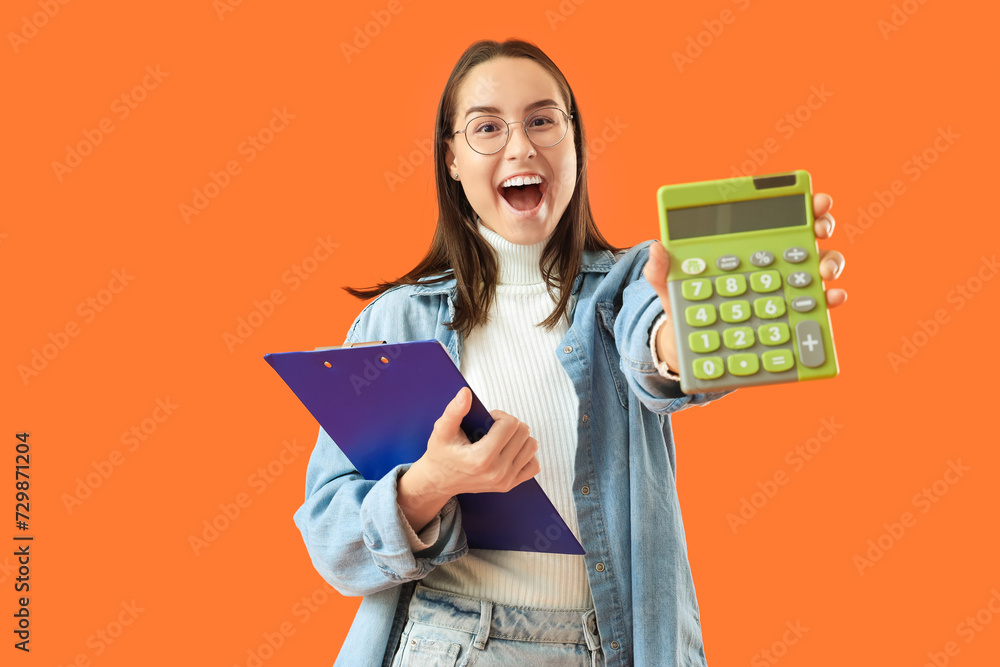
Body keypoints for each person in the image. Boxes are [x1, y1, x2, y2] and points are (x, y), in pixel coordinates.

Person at [292, 38, 847, 667]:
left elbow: (655, 347)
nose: (522, 146)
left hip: (609, 648)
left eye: (542, 120)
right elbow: (333, 542)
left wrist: (694, 335)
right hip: (446, 646)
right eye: (488, 127)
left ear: (574, 142)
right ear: (451, 158)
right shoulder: (397, 321)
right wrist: (430, 485)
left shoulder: (628, 285)